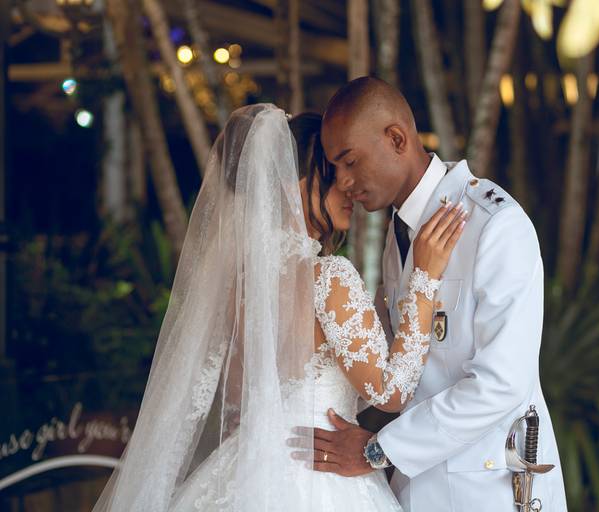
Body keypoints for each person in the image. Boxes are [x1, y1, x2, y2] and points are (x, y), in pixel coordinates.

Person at [91, 104, 465, 511]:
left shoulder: (239, 289)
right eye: (332, 176)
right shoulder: (329, 277)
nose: (349, 187)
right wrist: (424, 279)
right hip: (320, 478)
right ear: (289, 185)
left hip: (243, 474)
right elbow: (390, 394)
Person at [300, 77, 568, 511]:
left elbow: (501, 384)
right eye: (335, 170)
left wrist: (378, 450)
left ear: (396, 139)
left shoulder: (494, 225)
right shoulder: (399, 234)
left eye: (350, 162)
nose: (344, 182)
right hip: (415, 489)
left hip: (488, 492)